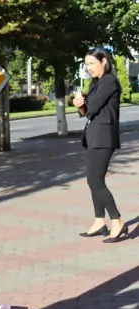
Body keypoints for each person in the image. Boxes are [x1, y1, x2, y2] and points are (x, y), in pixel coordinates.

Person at [73, 47, 128, 243]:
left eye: (92, 64)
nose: (89, 68)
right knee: (93, 180)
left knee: (95, 181)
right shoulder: (96, 83)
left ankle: (117, 220)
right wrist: (81, 105)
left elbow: (92, 108)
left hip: (104, 137)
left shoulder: (109, 81)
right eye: (86, 64)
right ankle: (99, 221)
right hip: (94, 137)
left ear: (104, 62)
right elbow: (87, 111)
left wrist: (83, 104)